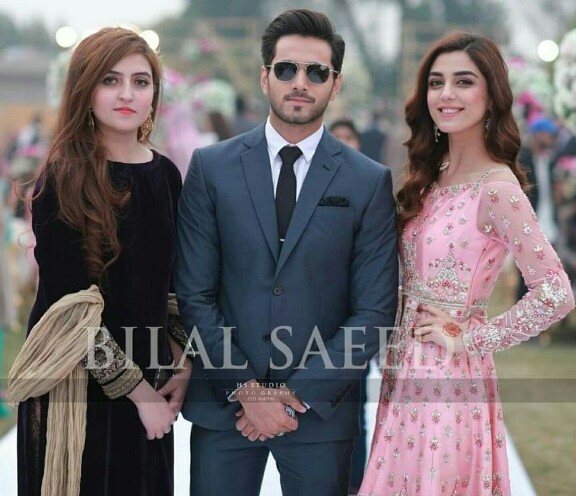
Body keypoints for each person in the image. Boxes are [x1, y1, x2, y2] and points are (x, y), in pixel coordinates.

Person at [176, 9, 398, 496]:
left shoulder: (369, 181)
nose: (300, 82)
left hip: (320, 416)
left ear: (335, 84)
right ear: (265, 76)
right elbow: (194, 292)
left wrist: (294, 396)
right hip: (224, 407)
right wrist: (249, 392)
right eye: (286, 69)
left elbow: (375, 310)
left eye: (317, 72)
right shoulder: (211, 169)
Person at [359, 32, 574, 495]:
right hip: (402, 366)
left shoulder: (497, 187)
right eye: (436, 83)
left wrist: (474, 338)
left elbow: (557, 292)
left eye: (463, 81)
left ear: (492, 96)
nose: (446, 94)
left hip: (448, 380)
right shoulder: (429, 177)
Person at [10, 27, 191, 496]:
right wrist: (140, 394)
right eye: (110, 81)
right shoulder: (63, 178)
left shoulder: (166, 174)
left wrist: (180, 359)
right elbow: (70, 310)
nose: (127, 94)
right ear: (84, 90)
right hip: (76, 383)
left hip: (148, 369)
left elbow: (169, 282)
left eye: (141, 81)